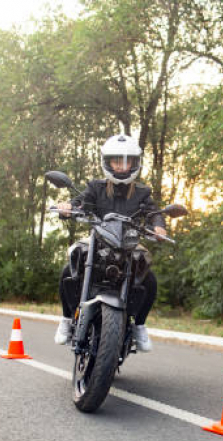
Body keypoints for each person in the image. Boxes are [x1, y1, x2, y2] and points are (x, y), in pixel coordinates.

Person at [53, 134, 167, 351]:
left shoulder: (143, 192)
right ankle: (67, 319)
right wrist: (68, 207)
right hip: (99, 239)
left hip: (130, 243)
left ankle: (139, 326)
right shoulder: (96, 187)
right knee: (70, 265)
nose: (122, 166)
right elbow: (80, 202)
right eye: (117, 161)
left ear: (135, 164)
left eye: (127, 161)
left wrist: (159, 225)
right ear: (108, 162)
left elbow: (154, 212)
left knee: (149, 278)